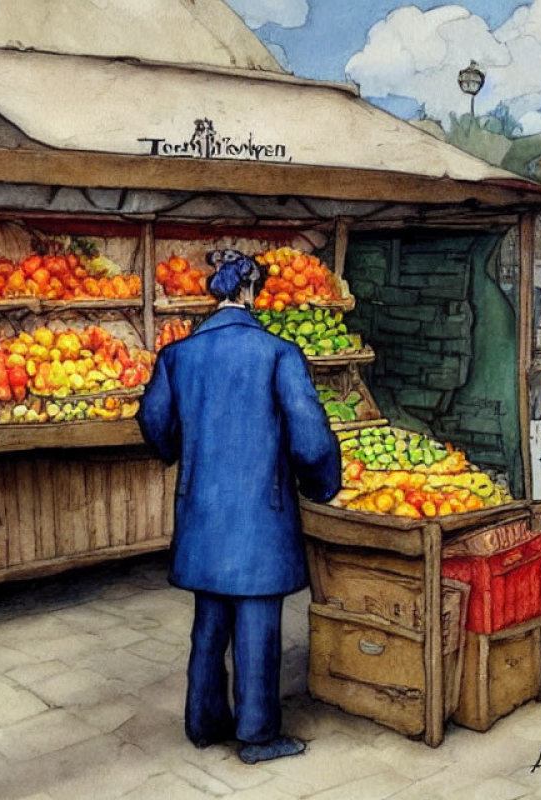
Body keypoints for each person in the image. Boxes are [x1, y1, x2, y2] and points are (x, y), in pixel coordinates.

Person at [137, 248, 341, 765]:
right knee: (257, 621)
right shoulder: (278, 353)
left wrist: (182, 453)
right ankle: (257, 734)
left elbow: (153, 424)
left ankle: (204, 723)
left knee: (209, 618)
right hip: (261, 515)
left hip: (202, 510)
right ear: (251, 292)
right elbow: (312, 441)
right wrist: (321, 487)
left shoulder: (177, 356)